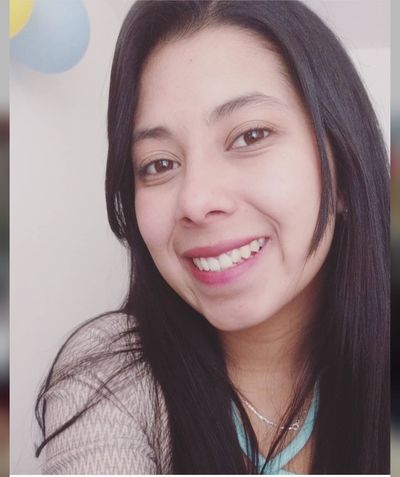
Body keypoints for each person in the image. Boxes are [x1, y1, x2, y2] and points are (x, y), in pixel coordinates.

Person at [34, 1, 390, 474]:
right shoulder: (108, 377)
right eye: (159, 163)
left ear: (342, 166)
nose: (196, 200)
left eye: (250, 136)